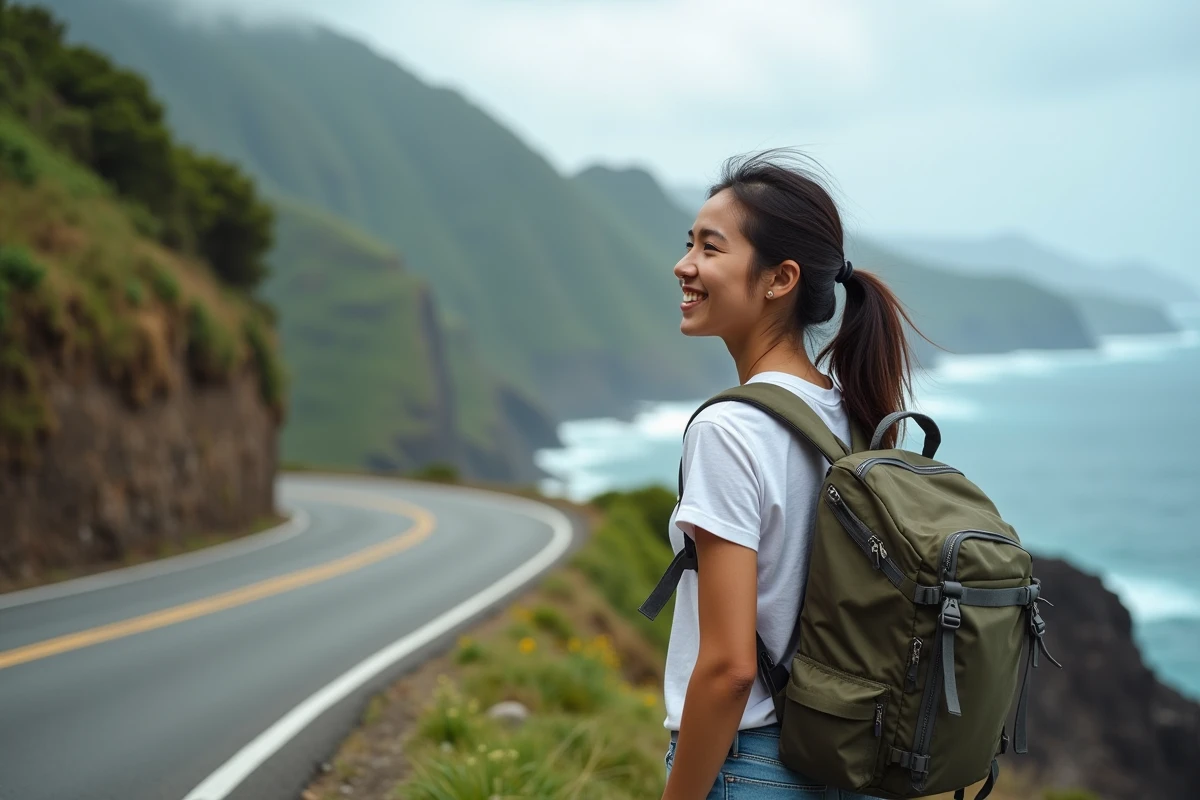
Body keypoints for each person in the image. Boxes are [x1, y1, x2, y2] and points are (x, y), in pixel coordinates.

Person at [661, 150, 920, 800]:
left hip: (750, 769)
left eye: (710, 248)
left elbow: (727, 669)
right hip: (846, 765)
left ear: (780, 279)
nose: (684, 265)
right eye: (688, 242)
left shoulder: (729, 430)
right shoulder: (858, 417)